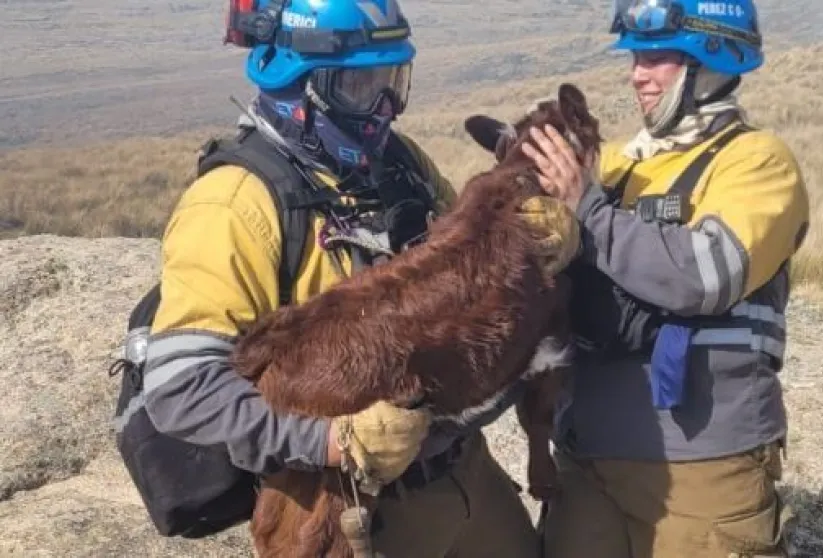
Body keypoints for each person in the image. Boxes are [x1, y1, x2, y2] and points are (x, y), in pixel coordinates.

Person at [136, 0, 578, 555]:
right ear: (297, 86)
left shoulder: (401, 165)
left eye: (393, 81)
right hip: (352, 507)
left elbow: (463, 281)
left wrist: (532, 241)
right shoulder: (233, 205)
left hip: (466, 474)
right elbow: (182, 390)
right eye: (360, 85)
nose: (384, 108)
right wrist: (332, 443)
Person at [520, 0, 811, 556]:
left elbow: (704, 276)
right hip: (585, 464)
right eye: (635, 58)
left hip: (701, 475)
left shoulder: (757, 162)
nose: (638, 74)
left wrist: (589, 211)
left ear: (715, 61)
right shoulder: (617, 165)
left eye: (659, 58)